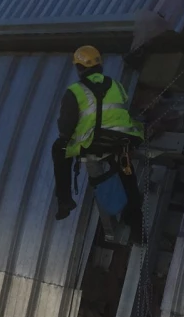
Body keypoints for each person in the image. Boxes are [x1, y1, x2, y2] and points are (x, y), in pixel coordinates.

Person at [52, 46, 144, 227]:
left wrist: (68, 138)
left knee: (59, 149)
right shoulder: (117, 85)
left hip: (94, 142)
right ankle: (136, 225)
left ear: (79, 68)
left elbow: (65, 127)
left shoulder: (75, 91)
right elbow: (125, 110)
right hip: (122, 140)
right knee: (126, 172)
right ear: (99, 65)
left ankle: (64, 201)